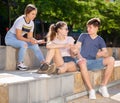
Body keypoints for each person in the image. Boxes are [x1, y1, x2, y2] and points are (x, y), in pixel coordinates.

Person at [75, 18, 115, 99]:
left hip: (93, 62)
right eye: (87, 27)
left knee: (111, 60)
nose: (88, 29)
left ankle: (103, 86)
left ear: (96, 28)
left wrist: (99, 53)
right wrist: (81, 58)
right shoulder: (83, 36)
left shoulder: (100, 40)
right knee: (82, 62)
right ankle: (91, 90)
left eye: (90, 27)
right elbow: (76, 49)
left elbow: (106, 53)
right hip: (82, 62)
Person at [5, 4, 51, 71]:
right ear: (27, 13)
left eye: (35, 14)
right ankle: (20, 64)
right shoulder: (20, 20)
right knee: (24, 44)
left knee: (35, 45)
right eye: (32, 14)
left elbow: (30, 37)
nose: (34, 16)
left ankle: (43, 63)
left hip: (19, 39)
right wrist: (29, 40)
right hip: (10, 38)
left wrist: (38, 41)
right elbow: (18, 36)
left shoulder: (31, 23)